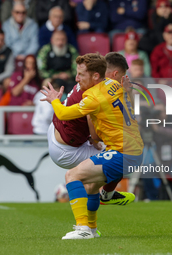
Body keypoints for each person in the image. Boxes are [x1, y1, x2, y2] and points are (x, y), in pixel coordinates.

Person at [41, 53, 144, 239]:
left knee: (72, 175)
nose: (77, 79)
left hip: (121, 153)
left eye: (81, 74)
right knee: (90, 187)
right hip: (132, 151)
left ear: (96, 75)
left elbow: (63, 114)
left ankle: (83, 229)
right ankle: (93, 229)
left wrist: (54, 100)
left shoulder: (93, 96)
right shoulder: (114, 84)